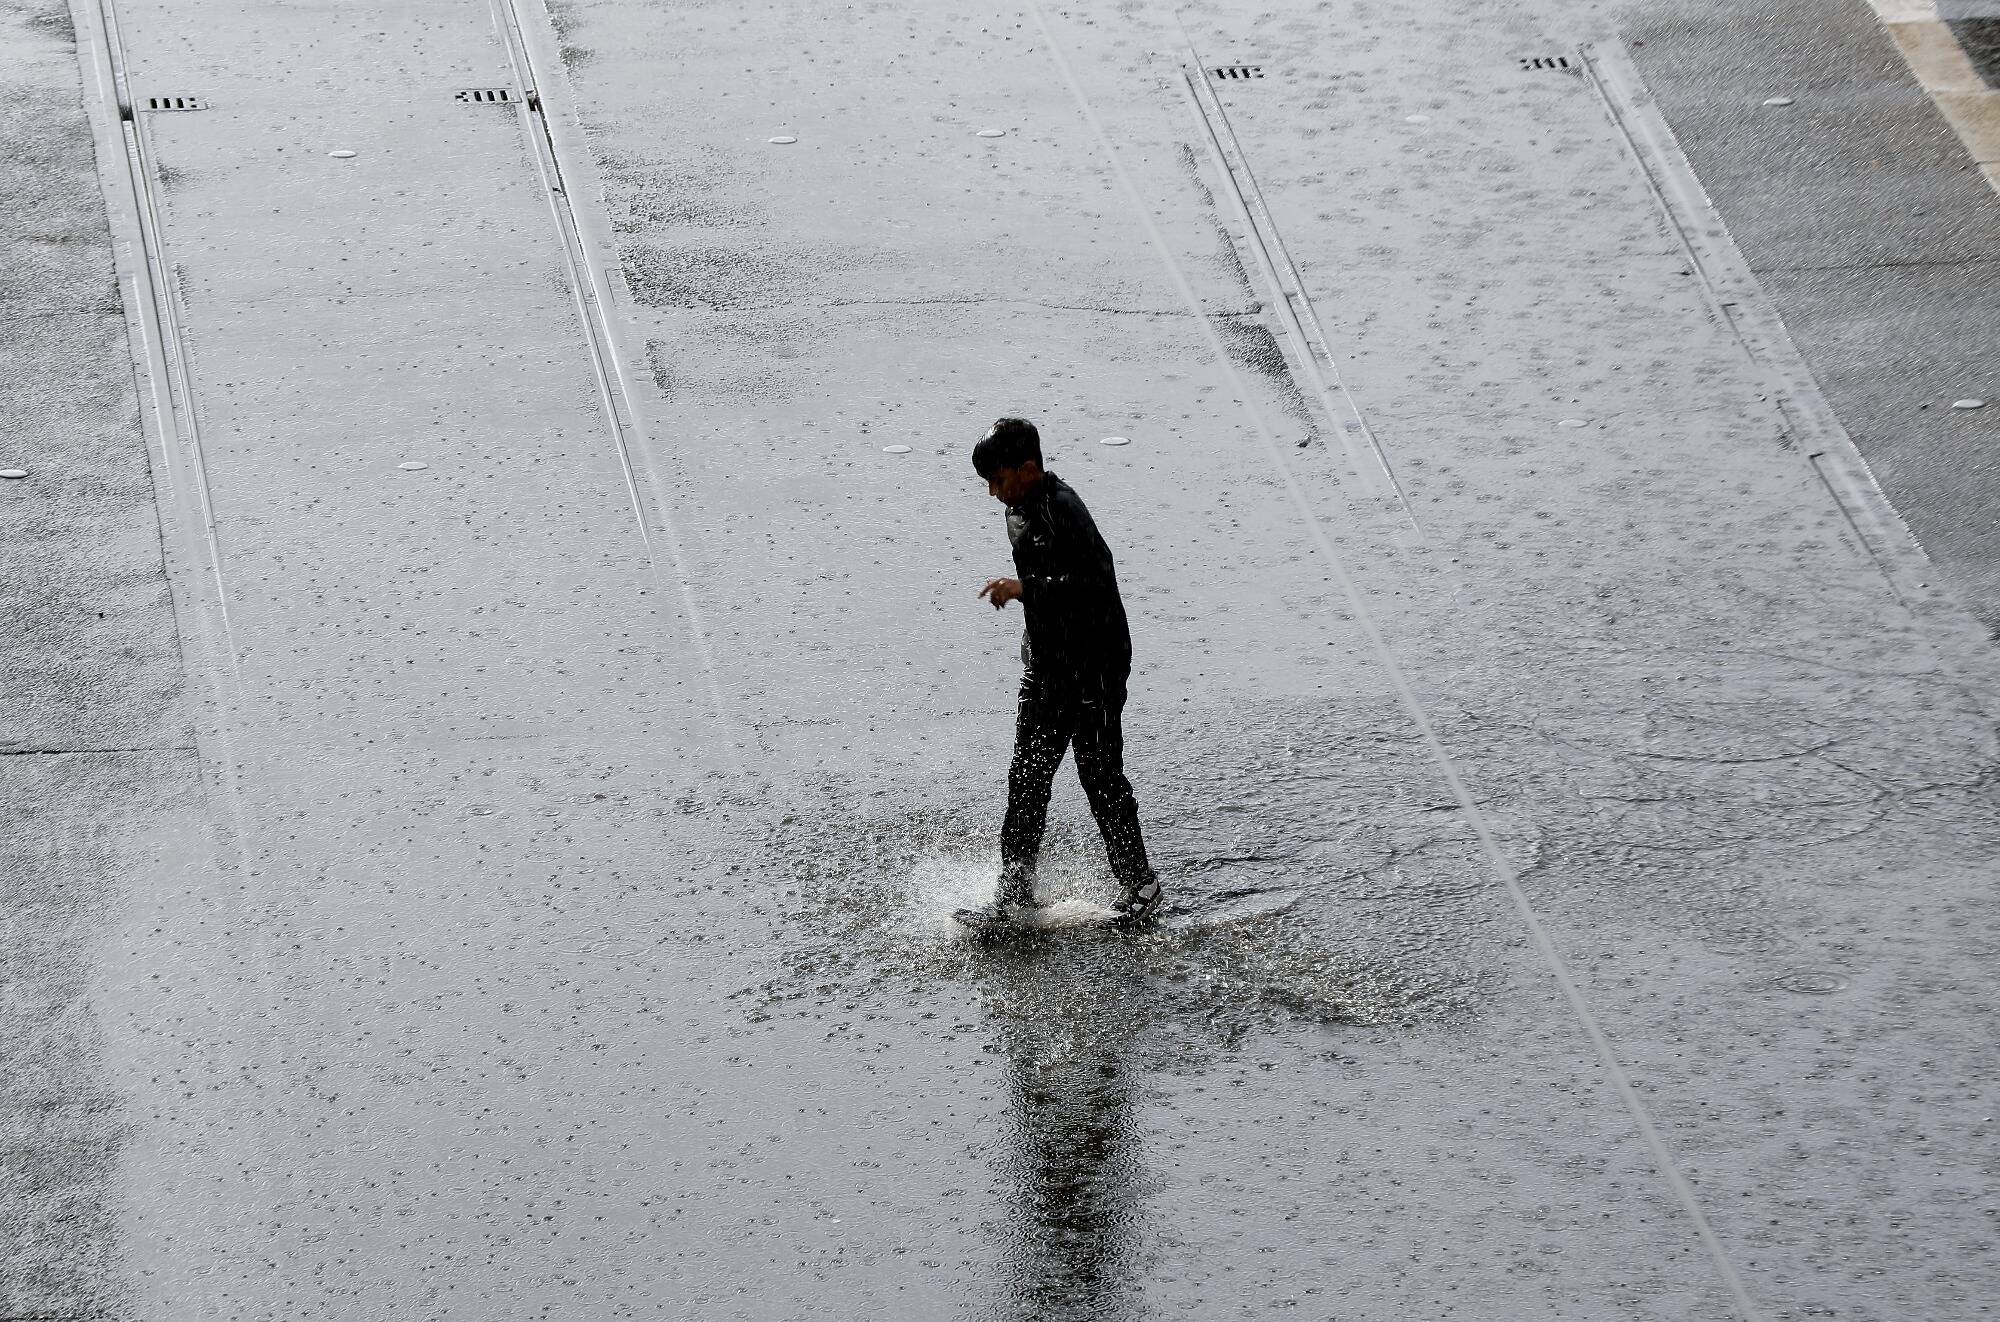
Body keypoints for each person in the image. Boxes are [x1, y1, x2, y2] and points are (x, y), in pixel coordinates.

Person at [962, 417, 1163, 928]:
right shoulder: (1017, 508)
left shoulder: (1064, 509)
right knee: (1027, 779)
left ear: (1029, 469)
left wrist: (1027, 589)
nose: (993, 494)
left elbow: (1094, 584)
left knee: (1099, 776)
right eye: (987, 483)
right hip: (1049, 666)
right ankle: (1013, 894)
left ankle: (1140, 885)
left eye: (999, 480)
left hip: (1096, 666)